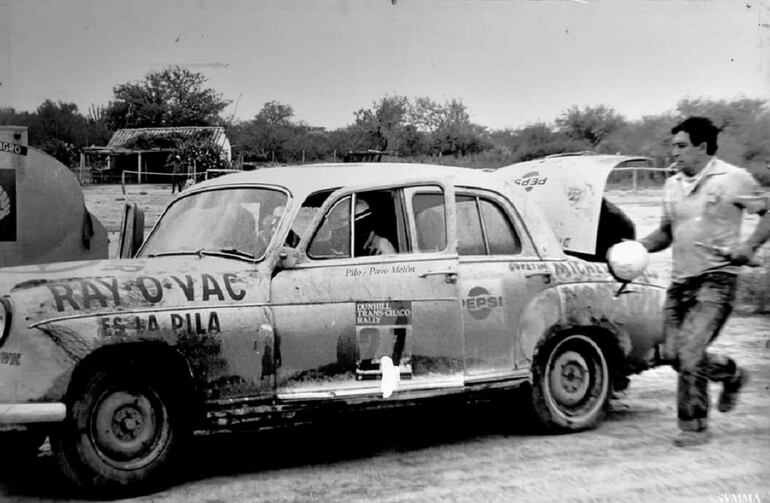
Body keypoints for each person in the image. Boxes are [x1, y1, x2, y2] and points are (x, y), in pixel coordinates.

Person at [639, 117, 770, 447]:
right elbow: (666, 232)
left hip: (717, 280)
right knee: (673, 354)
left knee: (690, 352)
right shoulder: (672, 185)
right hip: (680, 282)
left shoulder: (734, 178)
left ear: (702, 147)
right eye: (673, 146)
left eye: (681, 146)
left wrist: (749, 246)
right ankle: (732, 374)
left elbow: (767, 212)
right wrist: (637, 248)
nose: (674, 152)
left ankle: (693, 425)